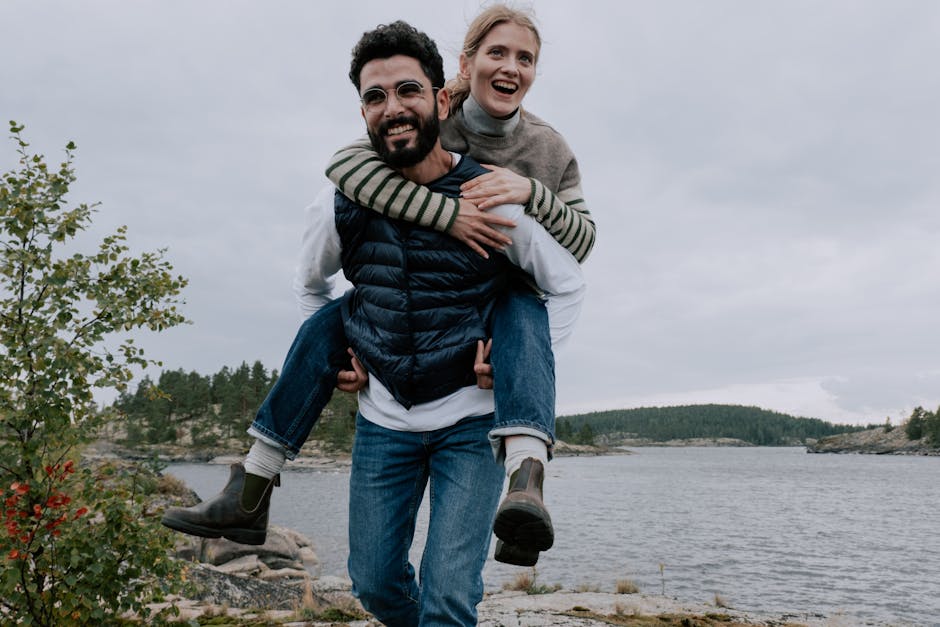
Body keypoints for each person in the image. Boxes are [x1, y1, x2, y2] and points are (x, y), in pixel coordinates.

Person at [161, 4, 592, 568]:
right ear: (464, 67)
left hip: (494, 302)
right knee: (333, 314)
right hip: (399, 353)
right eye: (497, 53)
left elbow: (578, 249)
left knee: (522, 306)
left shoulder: (548, 149)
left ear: (437, 96)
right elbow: (346, 169)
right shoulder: (424, 118)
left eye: (525, 58)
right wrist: (445, 217)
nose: (510, 67)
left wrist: (529, 194)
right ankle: (253, 487)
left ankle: (525, 486)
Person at [305, 21, 584, 624]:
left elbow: (572, 271)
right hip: (387, 417)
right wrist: (340, 357)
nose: (393, 107)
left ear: (437, 96)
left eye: (408, 92)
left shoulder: (529, 164)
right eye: (375, 97)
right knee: (374, 584)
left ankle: (527, 474)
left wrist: (511, 366)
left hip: (471, 411)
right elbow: (314, 280)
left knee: (449, 594)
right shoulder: (356, 184)